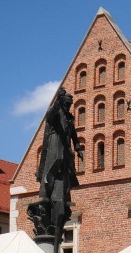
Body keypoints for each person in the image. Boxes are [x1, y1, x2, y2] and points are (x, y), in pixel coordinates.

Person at [36, 87, 82, 225]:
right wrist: (57, 100)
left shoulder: (69, 118)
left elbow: (74, 136)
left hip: (65, 150)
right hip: (55, 147)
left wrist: (78, 148)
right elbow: (50, 114)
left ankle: (62, 192)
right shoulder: (57, 113)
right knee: (52, 169)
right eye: (67, 103)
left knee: (66, 174)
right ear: (62, 102)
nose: (69, 106)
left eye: (70, 104)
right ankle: (48, 192)